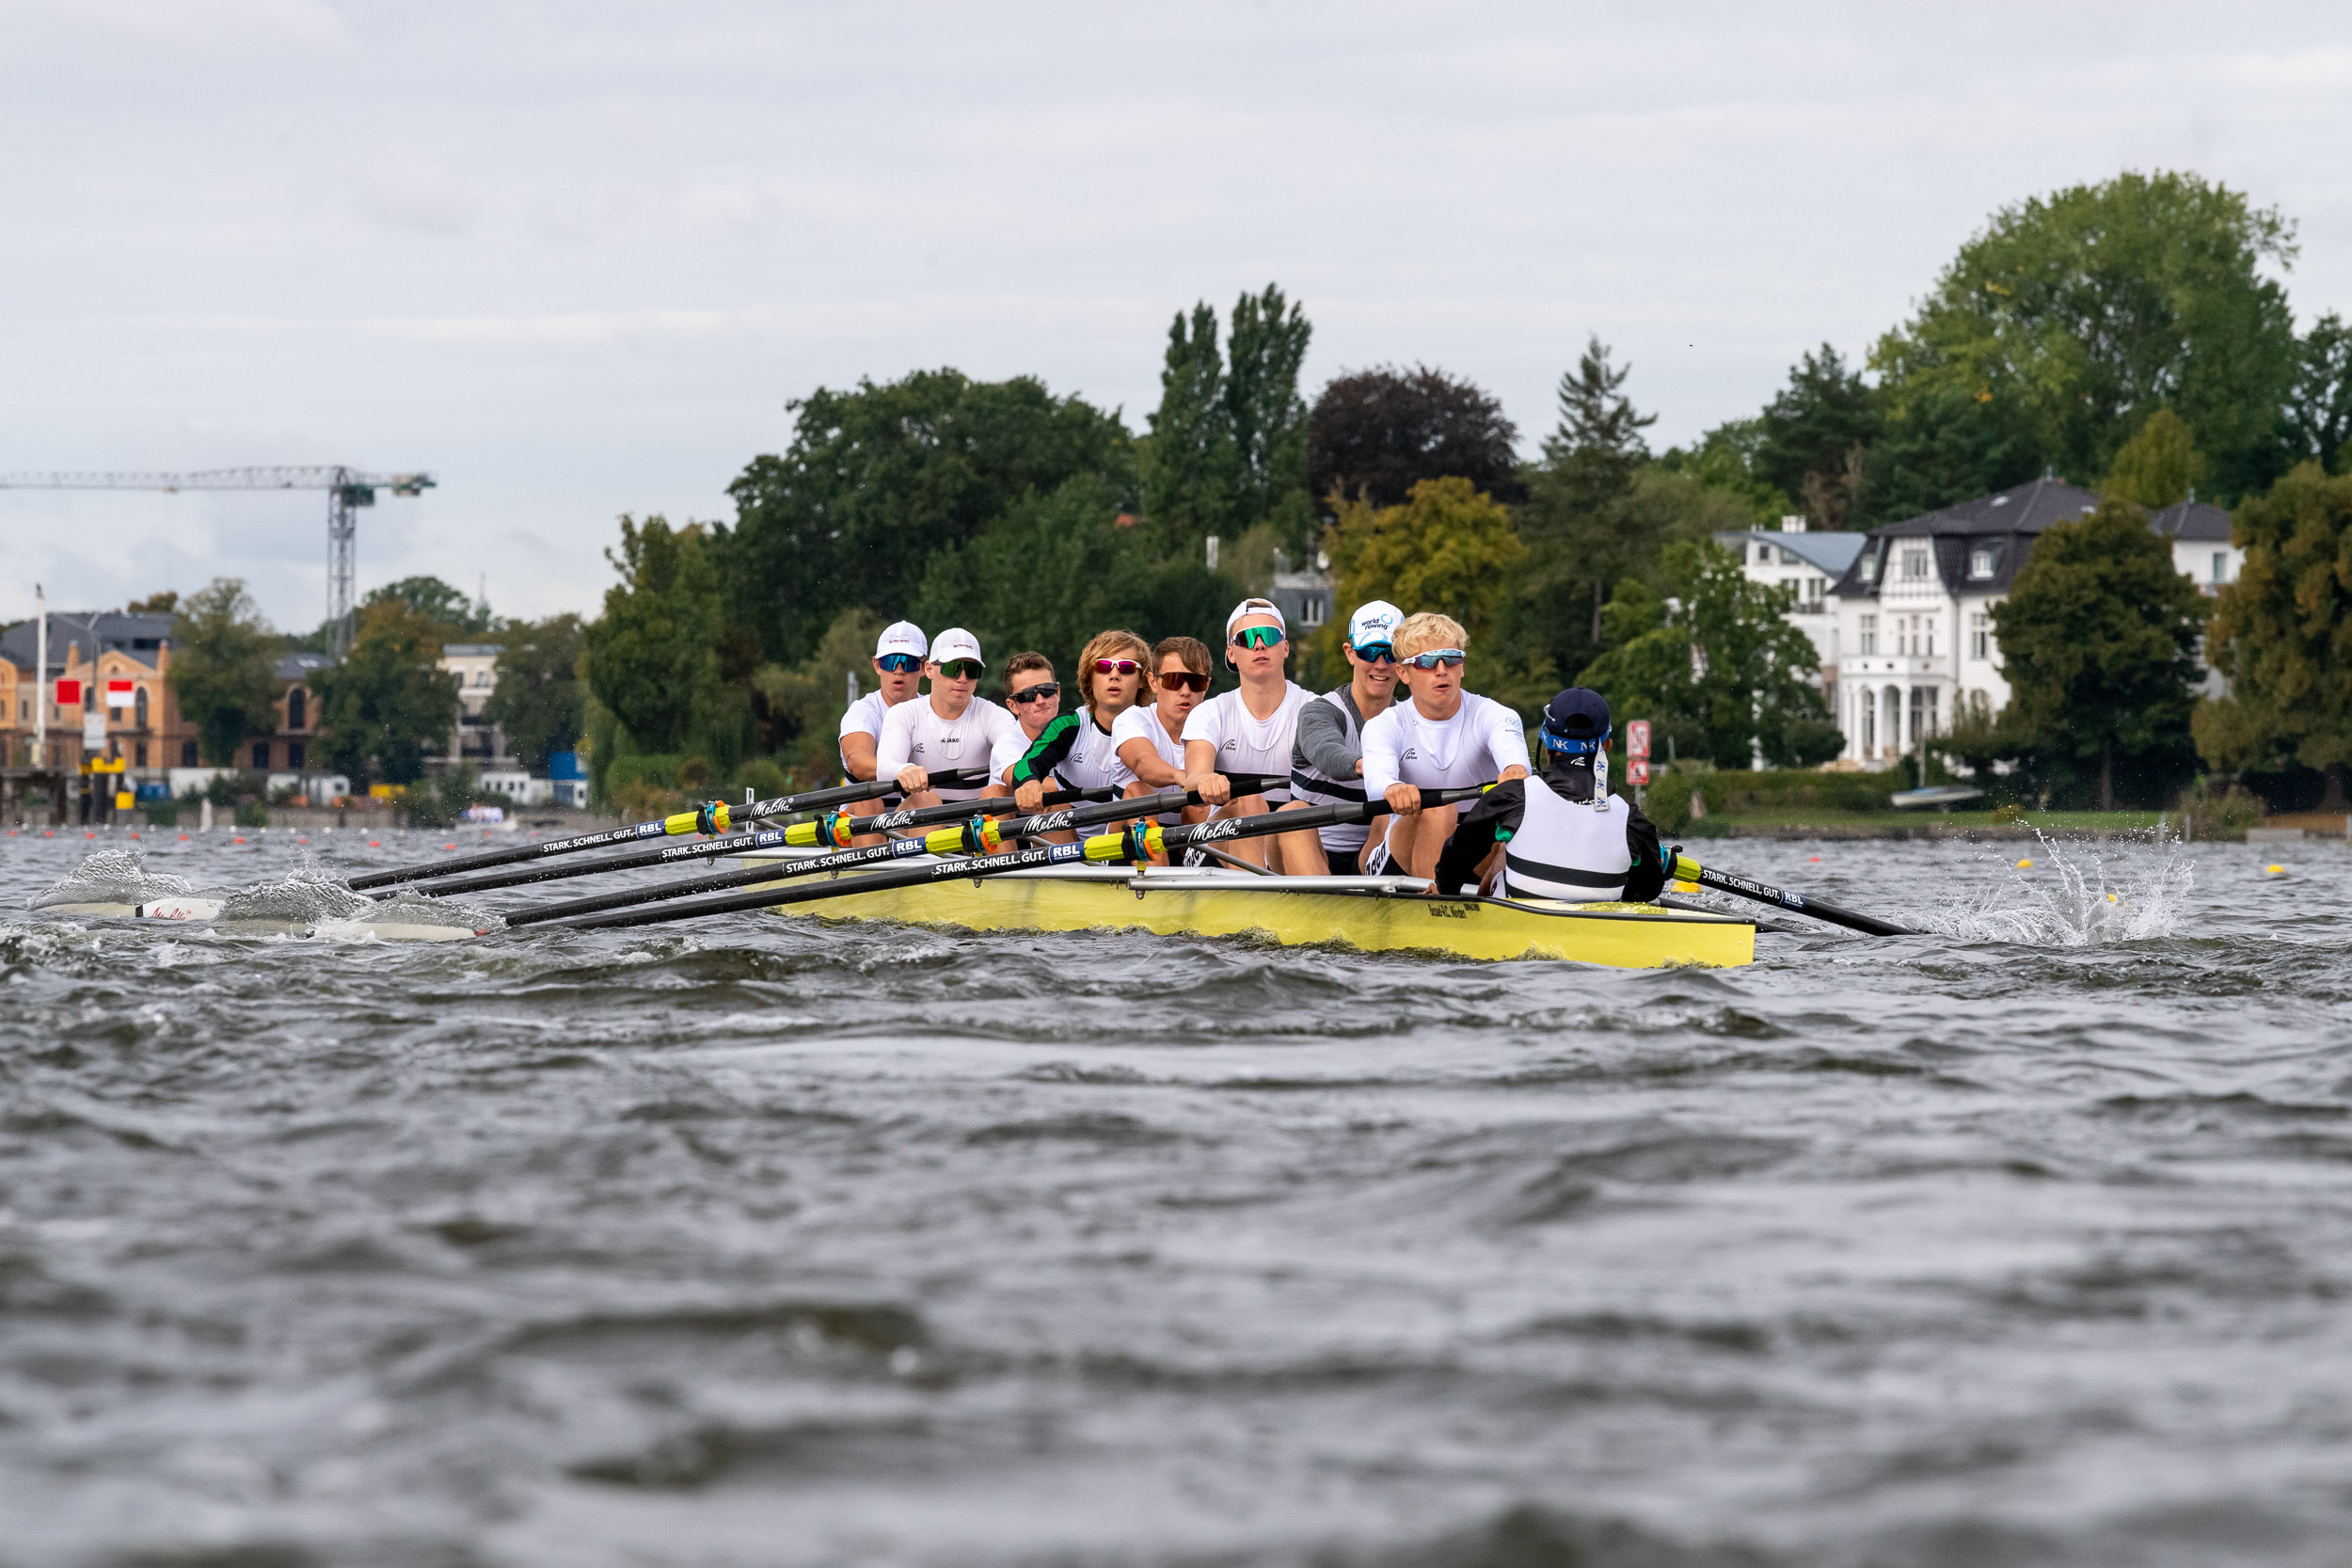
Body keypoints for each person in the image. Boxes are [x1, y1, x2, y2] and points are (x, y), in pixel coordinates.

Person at [1435, 687, 1668, 904]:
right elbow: (1647, 890)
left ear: (1546, 746)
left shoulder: (1512, 798)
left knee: (1504, 848)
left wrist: (1444, 893)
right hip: (1597, 933)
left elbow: (1453, 863)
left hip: (1517, 928)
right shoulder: (1633, 821)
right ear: (1606, 746)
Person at [1359, 611, 1530, 881]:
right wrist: (1393, 789)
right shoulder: (1385, 725)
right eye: (1426, 662)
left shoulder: (1494, 715)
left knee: (1518, 825)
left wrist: (1514, 770)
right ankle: (1434, 907)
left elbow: (1514, 759)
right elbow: (1377, 781)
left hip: (1474, 848)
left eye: (1451, 659)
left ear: (1461, 667)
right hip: (1402, 852)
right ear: (1403, 672)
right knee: (1439, 811)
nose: (1441, 670)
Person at [1182, 597, 1312, 869]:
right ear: (1231, 653)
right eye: (1246, 639)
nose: (1259, 645)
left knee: (1296, 814)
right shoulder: (1211, 713)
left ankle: (1321, 906)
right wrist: (1207, 779)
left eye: (1269, 636)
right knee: (1250, 802)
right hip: (1217, 844)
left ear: (1285, 647)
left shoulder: (1312, 709)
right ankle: (1254, 899)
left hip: (1284, 834)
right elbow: (1193, 779)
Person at [1279, 598, 1403, 877]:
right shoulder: (1320, 711)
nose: (1381, 664)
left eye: (1391, 653)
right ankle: (1319, 908)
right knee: (1292, 812)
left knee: (1396, 812)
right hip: (1305, 850)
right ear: (1350, 653)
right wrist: (1369, 767)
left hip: (1368, 856)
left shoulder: (1409, 720)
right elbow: (1326, 751)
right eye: (1370, 652)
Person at [875, 627, 1028, 808]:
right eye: (953, 668)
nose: (963, 678)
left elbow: (1014, 756)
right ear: (929, 669)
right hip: (919, 824)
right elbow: (884, 770)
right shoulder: (903, 714)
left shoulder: (994, 716)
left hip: (977, 826)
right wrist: (903, 770)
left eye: (972, 670)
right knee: (925, 798)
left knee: (997, 793)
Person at [1009, 629, 1150, 810]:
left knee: (1138, 793)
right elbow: (1026, 765)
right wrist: (1029, 782)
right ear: (1089, 677)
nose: (1114, 675)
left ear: (1143, 680)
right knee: (1052, 802)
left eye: (1127, 668)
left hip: (1125, 831)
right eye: (1104, 667)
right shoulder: (1068, 725)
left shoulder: (1153, 725)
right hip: (1071, 831)